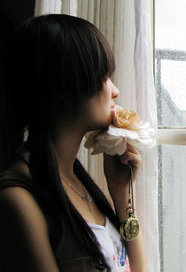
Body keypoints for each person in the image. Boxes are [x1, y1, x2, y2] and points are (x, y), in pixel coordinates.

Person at [0, 14, 146, 272]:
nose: (115, 91)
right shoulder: (18, 199)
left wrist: (121, 192)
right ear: (64, 88)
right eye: (103, 76)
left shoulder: (75, 178)